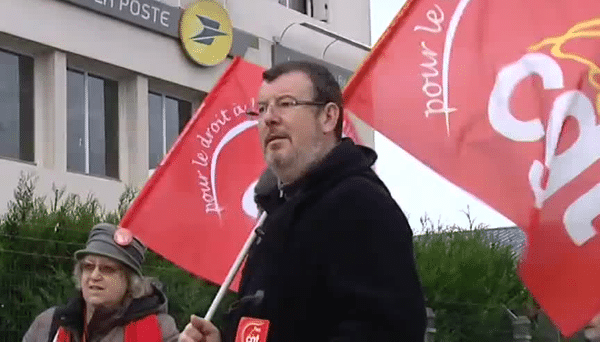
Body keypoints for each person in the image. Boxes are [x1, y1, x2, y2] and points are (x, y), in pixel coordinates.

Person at [179, 61, 427, 342]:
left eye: (285, 104)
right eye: (261, 109)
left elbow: (385, 331)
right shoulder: (275, 212)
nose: (269, 119)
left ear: (328, 117)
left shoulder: (361, 206)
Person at [23, 222, 179, 342]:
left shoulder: (159, 330)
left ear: (130, 282)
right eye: (88, 266)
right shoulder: (50, 324)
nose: (94, 275)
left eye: (107, 269)